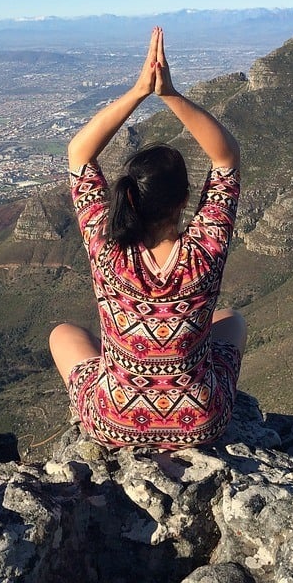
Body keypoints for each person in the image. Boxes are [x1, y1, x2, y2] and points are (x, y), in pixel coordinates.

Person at [49, 27, 246, 448]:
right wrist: (170, 93)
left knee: (63, 334)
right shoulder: (204, 252)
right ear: (186, 199)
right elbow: (226, 157)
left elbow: (78, 154)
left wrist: (139, 91)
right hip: (200, 425)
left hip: (114, 424)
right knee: (232, 320)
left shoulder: (107, 247)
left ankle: (119, 391)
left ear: (129, 199)